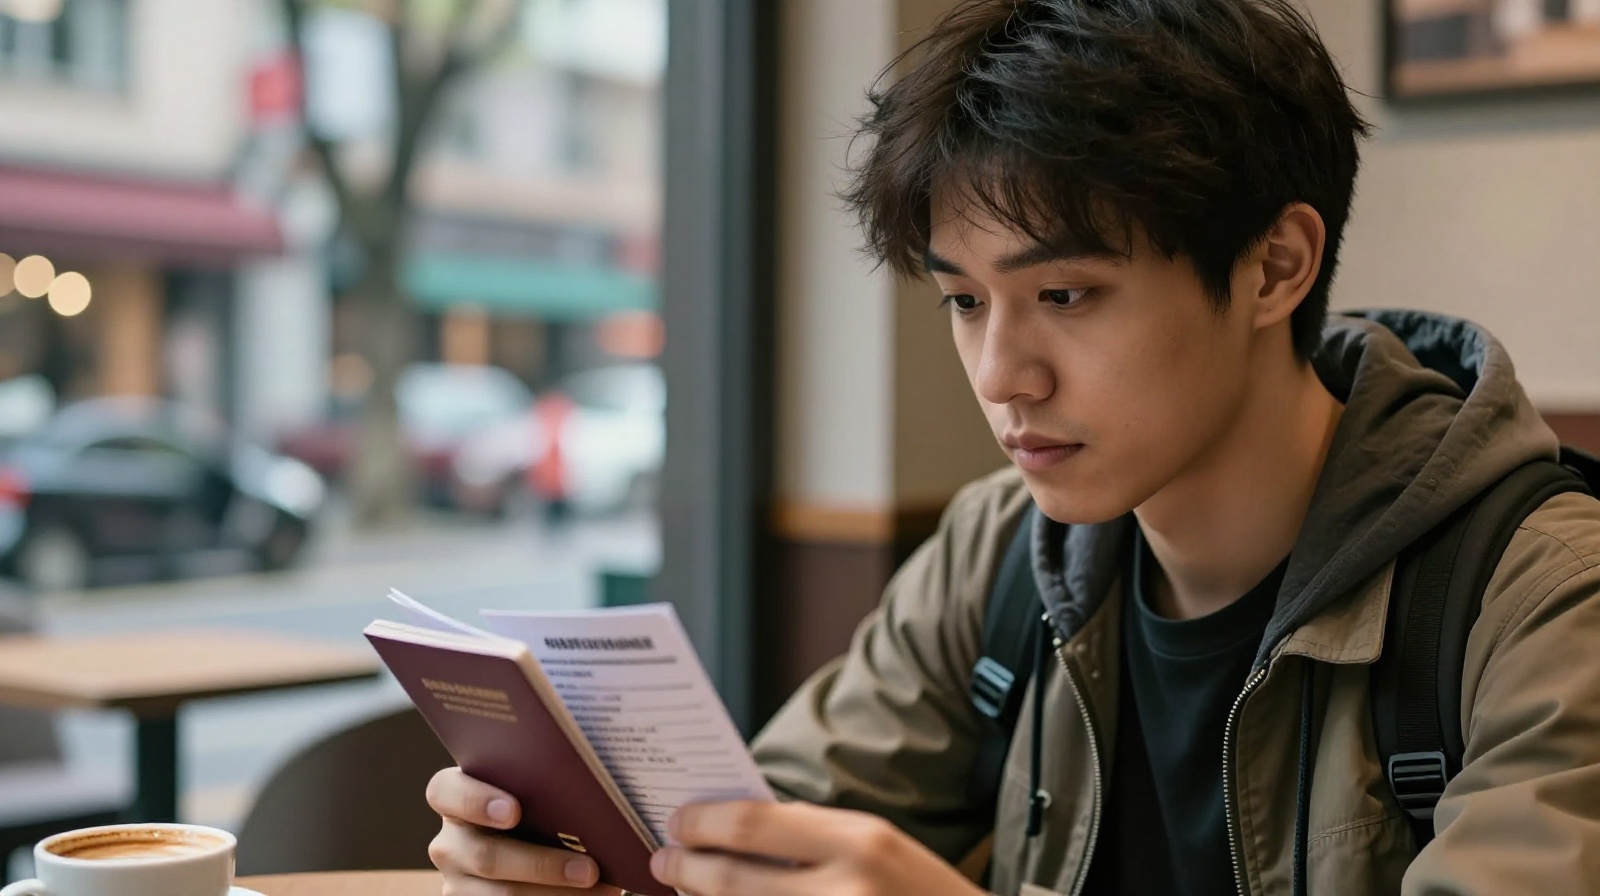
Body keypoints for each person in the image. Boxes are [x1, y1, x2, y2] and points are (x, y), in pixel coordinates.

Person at [423, 0, 1600, 893]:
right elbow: (770, 823)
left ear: (1273, 267)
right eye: (965, 301)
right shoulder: (1005, 547)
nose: (1002, 376)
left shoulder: (1542, 594)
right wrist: (593, 851)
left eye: (1069, 295)